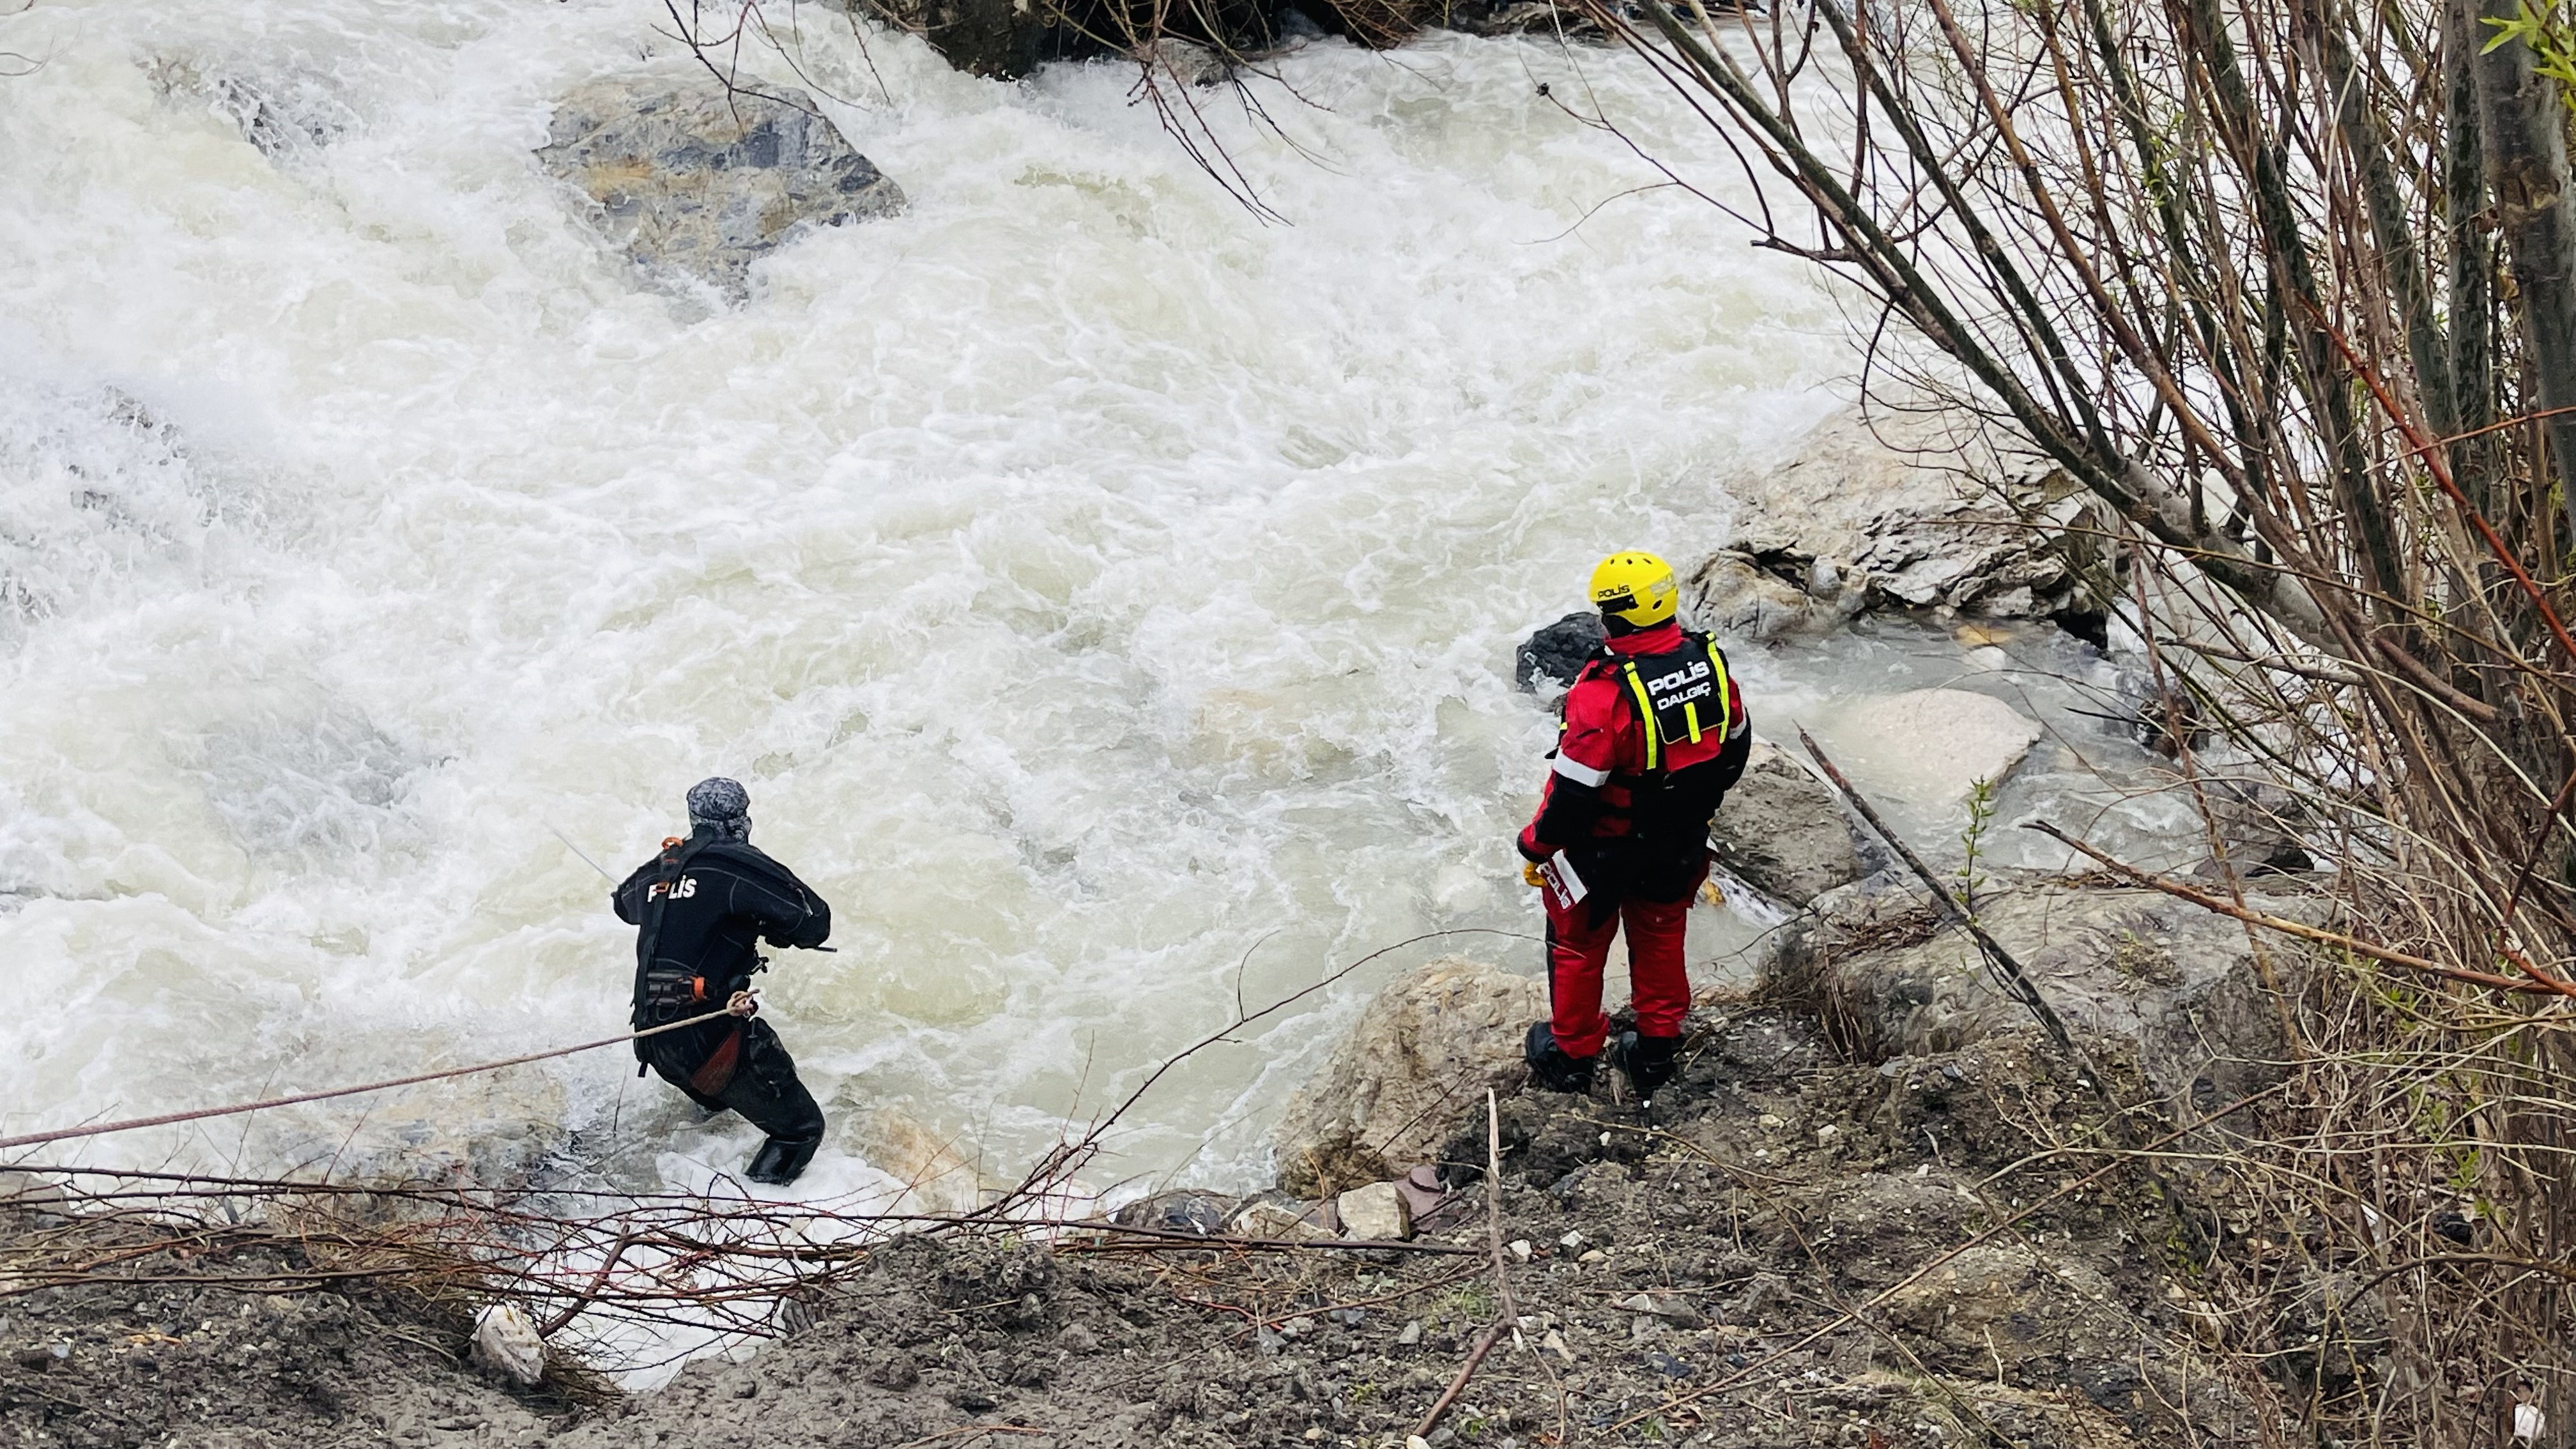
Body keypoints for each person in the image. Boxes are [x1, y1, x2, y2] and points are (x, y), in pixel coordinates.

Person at [1517, 551, 1752, 1103]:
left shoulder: (1602, 693)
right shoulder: (1711, 665)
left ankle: (1572, 1056)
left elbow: (1574, 794)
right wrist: (1690, 809)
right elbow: (1735, 751)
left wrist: (1534, 846)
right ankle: (1655, 1050)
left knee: (1576, 949)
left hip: (1603, 852)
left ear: (1615, 616)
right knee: (1662, 935)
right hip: (1680, 841)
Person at [615, 777, 834, 1186]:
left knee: (718, 1100)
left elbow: (622, 905)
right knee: (801, 1131)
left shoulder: (661, 868)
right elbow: (815, 923)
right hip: (706, 1043)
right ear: (740, 820)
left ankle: (688, 1171)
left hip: (652, 1039)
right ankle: (753, 1209)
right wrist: (769, 924)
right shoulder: (738, 865)